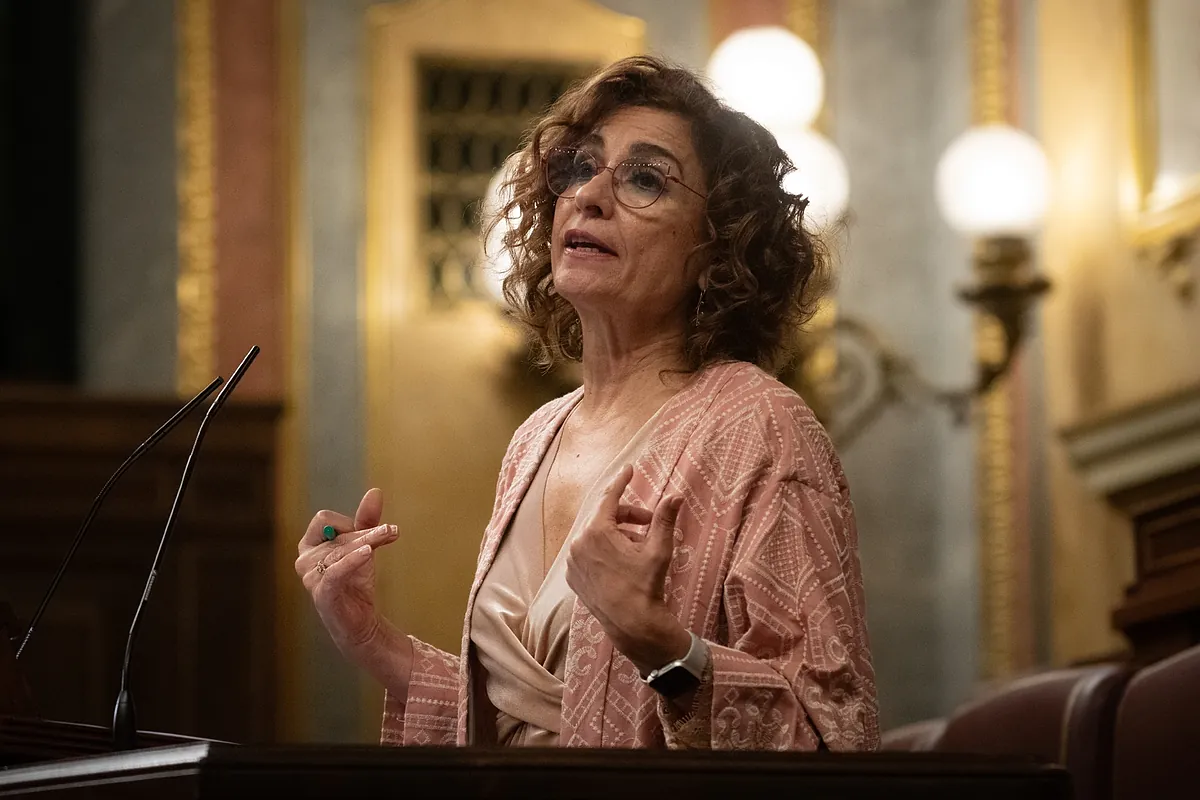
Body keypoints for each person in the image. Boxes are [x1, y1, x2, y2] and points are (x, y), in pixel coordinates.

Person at [296, 55, 878, 751]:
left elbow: (830, 740)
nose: (590, 195)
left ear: (716, 248)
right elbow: (539, 721)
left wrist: (660, 646)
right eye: (579, 167)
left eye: (645, 178)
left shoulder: (763, 429)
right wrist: (372, 639)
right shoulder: (536, 436)